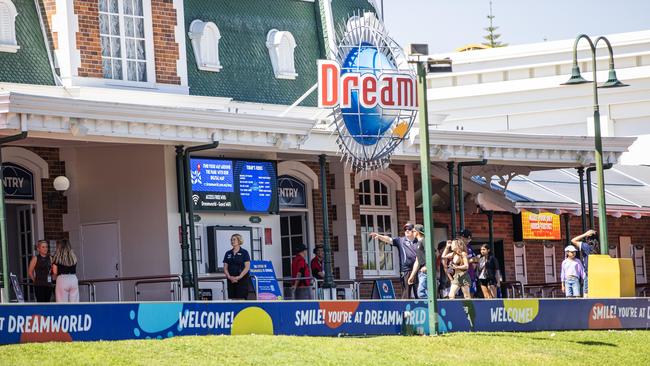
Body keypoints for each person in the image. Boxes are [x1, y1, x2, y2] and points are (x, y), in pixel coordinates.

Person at [370, 223, 419, 299]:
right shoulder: (401, 240)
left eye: (409, 229)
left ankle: (422, 309)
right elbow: (389, 239)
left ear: (413, 231)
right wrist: (379, 236)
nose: (407, 231)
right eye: (405, 229)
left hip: (417, 270)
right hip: (406, 270)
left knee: (419, 292)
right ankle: (405, 310)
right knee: (406, 292)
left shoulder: (418, 241)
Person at [223, 234, 252, 300]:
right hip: (231, 280)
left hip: (242, 279)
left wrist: (239, 277)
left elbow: (247, 267)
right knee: (232, 298)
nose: (232, 241)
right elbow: (225, 267)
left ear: (239, 241)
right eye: (231, 240)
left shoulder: (244, 252)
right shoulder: (228, 253)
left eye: (234, 239)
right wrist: (229, 277)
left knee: (241, 298)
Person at [571, 229, 598, 297]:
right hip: (598, 273)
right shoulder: (600, 248)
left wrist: (585, 234)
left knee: (586, 294)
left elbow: (573, 240)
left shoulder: (585, 246)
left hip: (589, 273)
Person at [407, 224, 428, 298]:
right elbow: (417, 261)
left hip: (426, 272)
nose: (412, 232)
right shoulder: (418, 243)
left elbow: (432, 253)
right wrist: (412, 276)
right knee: (423, 293)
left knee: (421, 293)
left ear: (417, 232)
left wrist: (427, 266)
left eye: (413, 231)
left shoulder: (424, 241)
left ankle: (431, 308)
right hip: (421, 272)